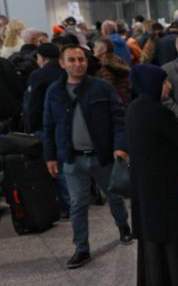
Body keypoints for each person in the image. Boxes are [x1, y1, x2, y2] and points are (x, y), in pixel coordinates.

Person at [42, 43, 131, 268]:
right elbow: (49, 124)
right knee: (78, 203)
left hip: (102, 156)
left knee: (114, 196)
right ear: (62, 64)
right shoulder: (55, 91)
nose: (78, 64)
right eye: (71, 60)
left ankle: (124, 227)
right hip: (73, 158)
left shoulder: (102, 87)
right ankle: (81, 247)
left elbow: (119, 119)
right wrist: (50, 156)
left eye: (81, 59)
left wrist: (119, 146)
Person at [125, 64, 178, 286]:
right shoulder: (159, 112)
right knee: (170, 231)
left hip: (144, 182)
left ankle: (156, 282)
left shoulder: (134, 108)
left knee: (152, 232)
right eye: (164, 81)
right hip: (165, 183)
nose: (169, 85)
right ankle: (177, 283)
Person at [92, 38, 132, 106]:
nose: (93, 49)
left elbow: (106, 86)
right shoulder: (117, 59)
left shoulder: (105, 65)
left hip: (114, 102)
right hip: (124, 97)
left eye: (96, 47)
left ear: (104, 50)